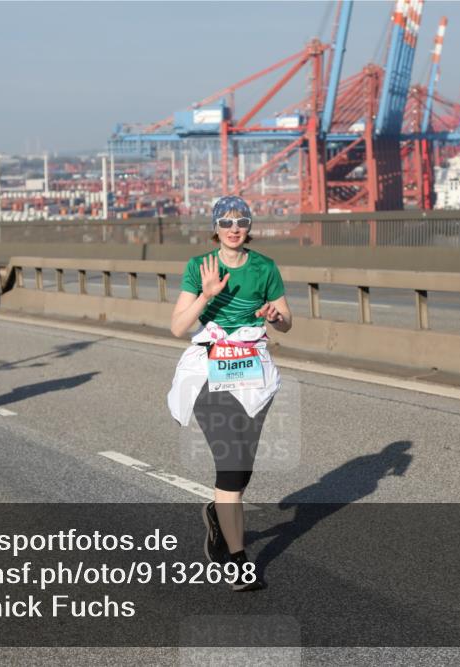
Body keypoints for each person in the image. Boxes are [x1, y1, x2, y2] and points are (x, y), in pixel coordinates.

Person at [167, 195, 292, 592]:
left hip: (252, 371)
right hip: (209, 369)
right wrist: (205, 294)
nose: (234, 228)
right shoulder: (198, 267)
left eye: (241, 221)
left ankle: (218, 517)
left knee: (243, 471)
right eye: (226, 222)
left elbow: (287, 320)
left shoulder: (264, 268)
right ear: (215, 227)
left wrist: (275, 316)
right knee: (231, 464)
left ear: (249, 226)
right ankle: (238, 563)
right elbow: (177, 327)